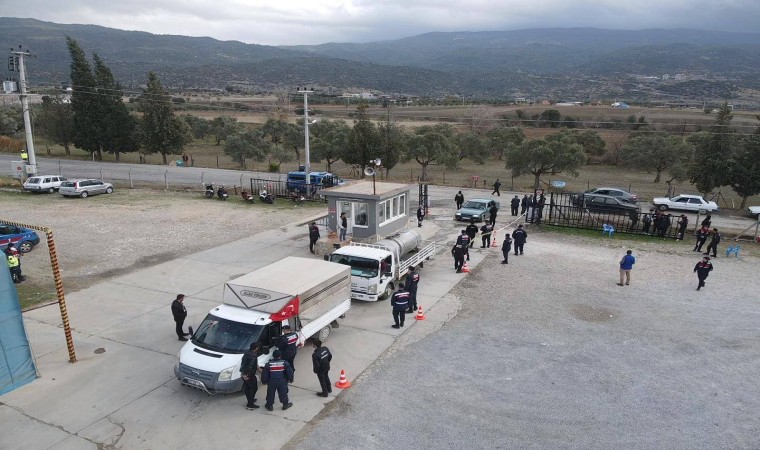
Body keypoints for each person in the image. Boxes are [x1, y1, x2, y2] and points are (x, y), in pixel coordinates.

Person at [240, 343, 261, 409]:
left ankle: (250, 399)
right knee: (254, 388)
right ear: (256, 348)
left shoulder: (246, 352)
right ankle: (250, 403)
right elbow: (250, 366)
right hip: (249, 374)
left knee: (247, 387)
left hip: (243, 372)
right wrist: (249, 375)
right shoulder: (254, 355)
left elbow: (243, 362)